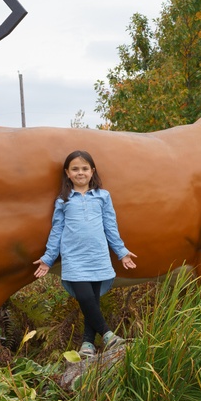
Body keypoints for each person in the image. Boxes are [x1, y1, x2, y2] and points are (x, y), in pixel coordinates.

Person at [33, 150, 137, 357]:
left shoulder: (102, 196)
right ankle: (108, 335)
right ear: (67, 173)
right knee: (85, 297)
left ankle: (87, 344)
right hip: (73, 258)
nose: (80, 173)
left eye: (84, 168)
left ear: (92, 171)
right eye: (75, 169)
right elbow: (56, 230)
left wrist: (122, 252)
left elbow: (110, 226)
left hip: (97, 256)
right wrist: (47, 259)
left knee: (93, 301)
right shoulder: (63, 200)